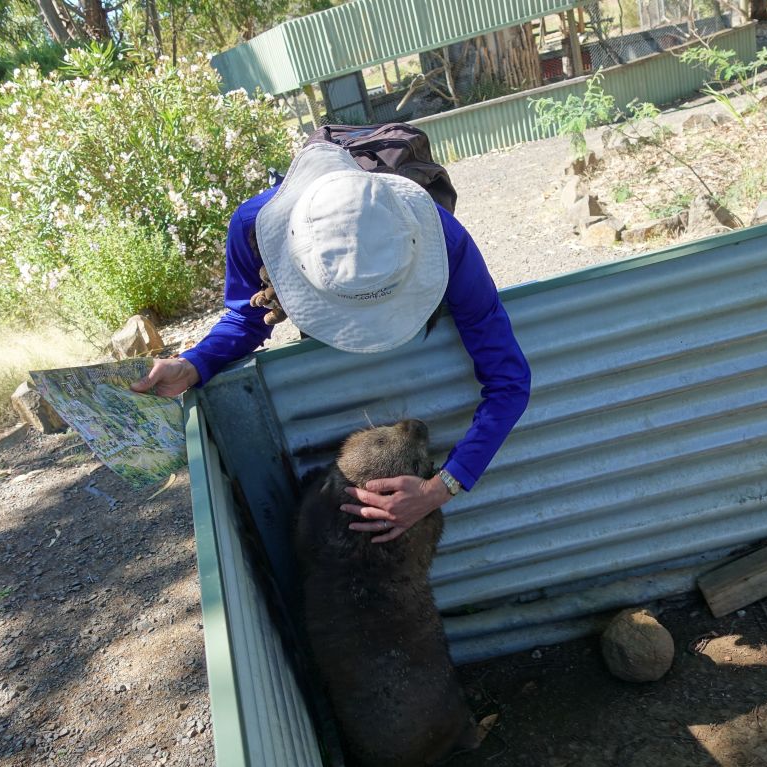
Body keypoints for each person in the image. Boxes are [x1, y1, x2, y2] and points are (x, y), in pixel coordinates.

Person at [132, 142, 530, 542]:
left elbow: (509, 380)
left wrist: (440, 487)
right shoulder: (253, 226)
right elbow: (247, 317)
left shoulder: (441, 236)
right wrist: (194, 363)